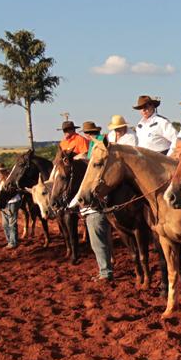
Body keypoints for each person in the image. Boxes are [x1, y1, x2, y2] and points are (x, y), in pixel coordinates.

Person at [78, 121, 113, 282]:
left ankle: (105, 271)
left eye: (87, 133)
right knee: (103, 238)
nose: (87, 135)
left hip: (96, 198)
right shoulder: (96, 142)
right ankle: (106, 268)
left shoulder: (97, 143)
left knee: (98, 240)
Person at [0, 164, 22, 249]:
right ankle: (10, 241)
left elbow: (11, 192)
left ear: (3, 171)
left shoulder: (11, 180)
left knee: (12, 223)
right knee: (5, 224)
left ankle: (13, 243)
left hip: (12, 202)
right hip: (3, 203)